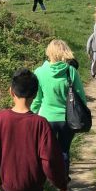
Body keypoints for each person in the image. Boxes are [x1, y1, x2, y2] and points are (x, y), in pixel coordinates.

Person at [31, 40, 87, 178]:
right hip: (67, 119)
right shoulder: (70, 71)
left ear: (49, 52)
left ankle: (46, 178)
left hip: (46, 119)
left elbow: (37, 99)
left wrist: (30, 114)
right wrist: (83, 112)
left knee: (46, 151)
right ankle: (63, 184)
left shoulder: (39, 72)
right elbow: (80, 96)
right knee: (64, 151)